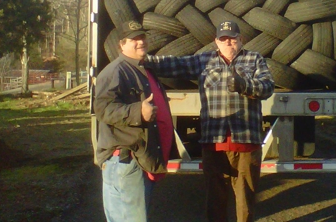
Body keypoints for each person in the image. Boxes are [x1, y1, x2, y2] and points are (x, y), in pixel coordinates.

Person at [146, 20, 274, 222]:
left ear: (241, 39)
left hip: (247, 142)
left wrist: (244, 85)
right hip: (214, 142)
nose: (228, 42)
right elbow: (173, 65)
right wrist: (142, 60)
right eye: (223, 39)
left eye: (232, 38)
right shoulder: (203, 61)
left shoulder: (255, 59)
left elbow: (267, 87)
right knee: (215, 199)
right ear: (216, 41)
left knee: (246, 199)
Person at [94, 20, 175, 222]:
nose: (140, 42)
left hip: (138, 161)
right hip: (125, 162)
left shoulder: (142, 70)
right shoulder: (115, 71)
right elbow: (102, 109)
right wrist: (138, 111)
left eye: (142, 37)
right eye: (134, 39)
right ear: (121, 45)